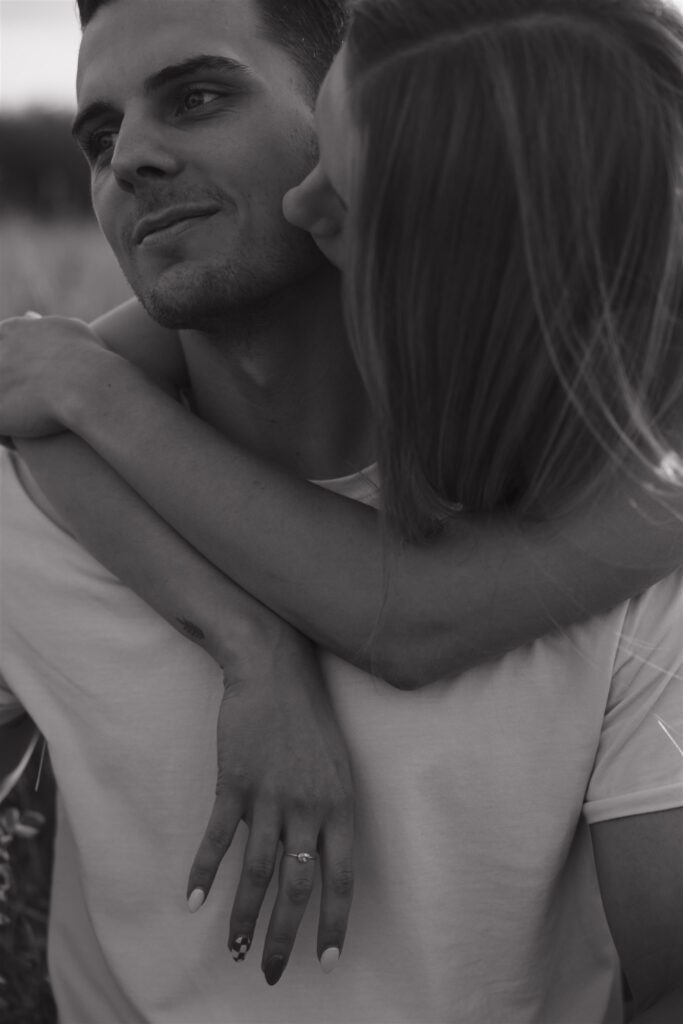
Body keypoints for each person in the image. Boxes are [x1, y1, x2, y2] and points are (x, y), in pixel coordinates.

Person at [1, 0, 683, 1020]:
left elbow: (409, 617)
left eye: (199, 95)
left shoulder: (637, 510)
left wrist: (85, 390)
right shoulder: (29, 512)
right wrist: (241, 631)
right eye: (100, 137)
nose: (127, 157)